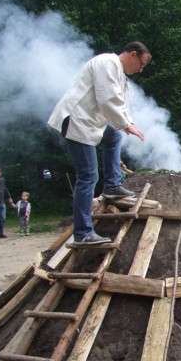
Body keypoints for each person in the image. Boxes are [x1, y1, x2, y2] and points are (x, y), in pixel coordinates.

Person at [48, 41, 151, 245]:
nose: (140, 70)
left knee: (114, 135)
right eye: (141, 64)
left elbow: (121, 105)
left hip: (90, 123)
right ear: (132, 54)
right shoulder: (107, 63)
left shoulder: (120, 75)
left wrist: (126, 123)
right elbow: (107, 99)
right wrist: (125, 124)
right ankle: (83, 233)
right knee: (88, 176)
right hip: (77, 121)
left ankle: (112, 184)